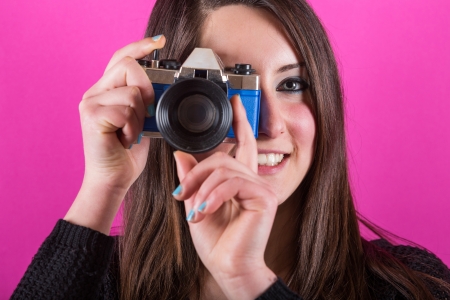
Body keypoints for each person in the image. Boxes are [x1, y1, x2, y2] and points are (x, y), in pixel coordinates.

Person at [12, 0, 450, 299]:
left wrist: (249, 281)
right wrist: (101, 189)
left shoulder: (411, 287)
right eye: (223, 91)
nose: (268, 125)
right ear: (166, 104)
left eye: (292, 84)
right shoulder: (102, 281)